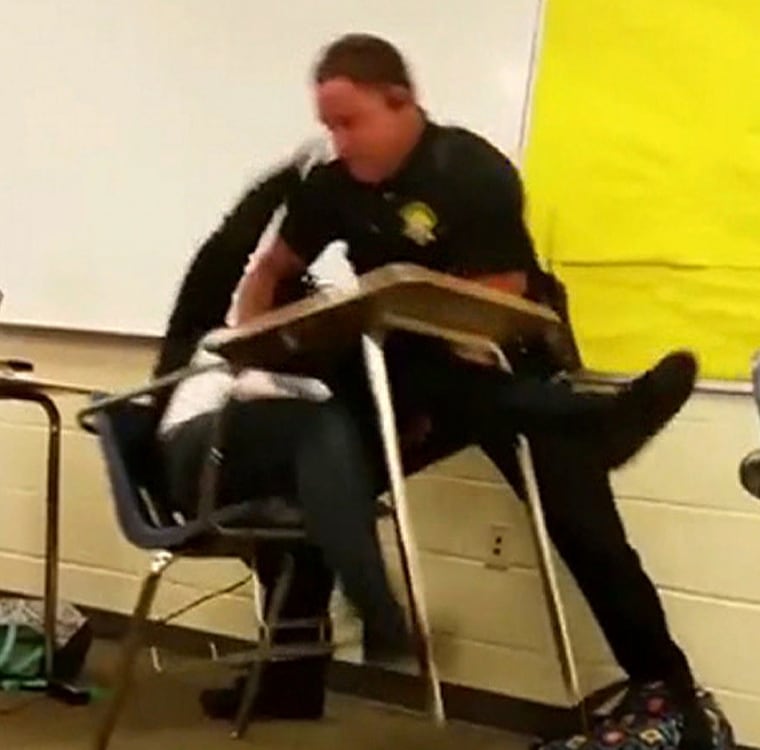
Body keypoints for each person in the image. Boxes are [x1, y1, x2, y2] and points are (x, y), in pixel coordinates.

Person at [227, 34, 712, 749]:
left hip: (505, 354)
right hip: (407, 360)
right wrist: (259, 353)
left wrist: (410, 353)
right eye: (328, 125)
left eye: (351, 122)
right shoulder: (332, 186)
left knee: (587, 530)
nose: (338, 139)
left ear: (402, 103)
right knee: (310, 477)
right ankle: (291, 678)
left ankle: (670, 697)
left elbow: (500, 297)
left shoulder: (470, 170)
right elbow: (270, 269)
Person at [151, 141, 410, 723]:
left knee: (325, 472)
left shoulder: (312, 363)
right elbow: (226, 250)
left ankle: (290, 683)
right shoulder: (205, 326)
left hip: (275, 458)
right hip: (196, 455)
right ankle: (377, 607)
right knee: (315, 433)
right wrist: (288, 186)